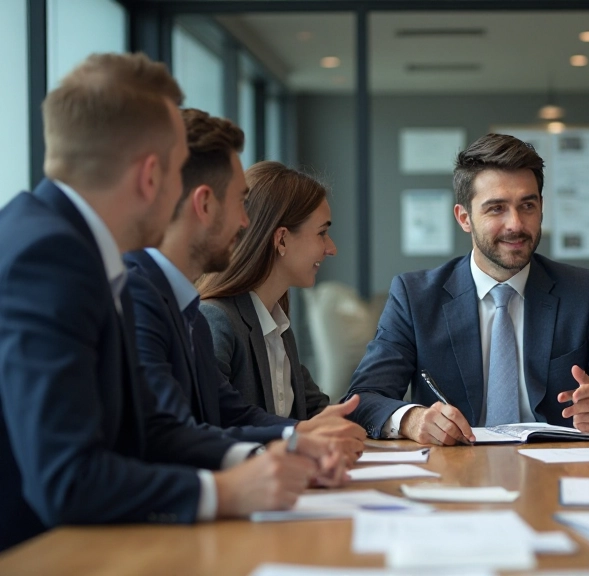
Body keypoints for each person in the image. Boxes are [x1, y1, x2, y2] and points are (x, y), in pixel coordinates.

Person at [0, 53, 347, 552]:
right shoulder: (50, 259)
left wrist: (275, 455)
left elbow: (155, 428)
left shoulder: (80, 251)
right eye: (179, 168)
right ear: (150, 177)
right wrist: (222, 491)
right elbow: (67, 479)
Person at [344, 133, 589, 445]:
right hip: (454, 470)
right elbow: (363, 398)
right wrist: (412, 419)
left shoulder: (583, 291)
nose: (516, 224)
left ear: (541, 208)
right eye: (496, 208)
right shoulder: (415, 296)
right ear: (464, 217)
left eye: (527, 205)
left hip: (554, 472)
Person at [124, 108, 366, 451]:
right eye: (239, 202)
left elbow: (235, 414)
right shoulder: (198, 315)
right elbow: (188, 434)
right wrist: (295, 439)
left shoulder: (246, 320)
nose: (244, 222)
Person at [198, 161, 336, 421]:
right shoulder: (216, 321)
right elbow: (214, 424)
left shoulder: (277, 327)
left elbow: (319, 412)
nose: (331, 248)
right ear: (281, 239)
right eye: (322, 233)